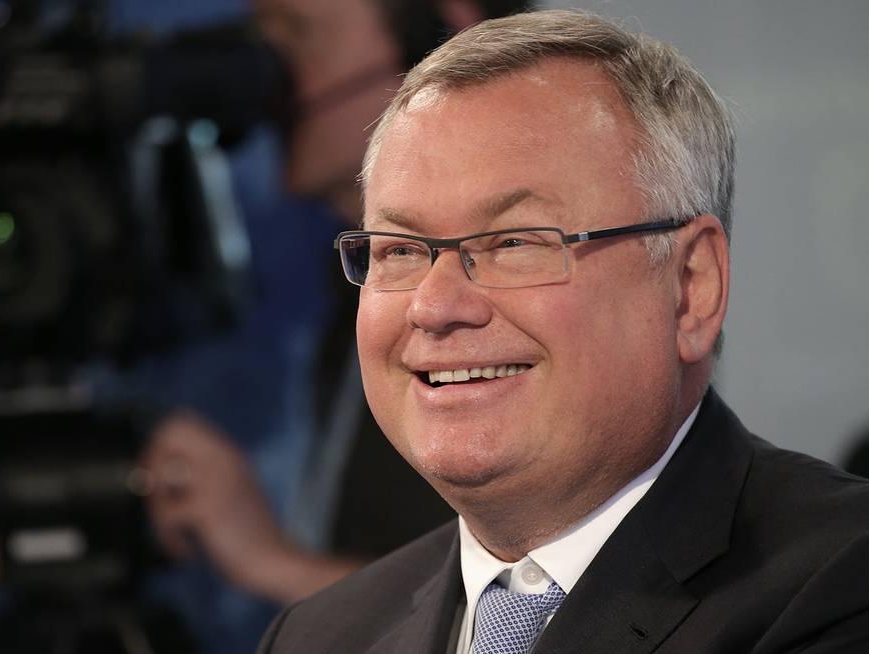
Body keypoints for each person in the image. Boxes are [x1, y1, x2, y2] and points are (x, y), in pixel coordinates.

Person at [257, 9, 869, 654]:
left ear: (692, 287)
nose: (434, 306)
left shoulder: (841, 586)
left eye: (514, 243)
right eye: (400, 250)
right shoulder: (315, 638)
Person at [141, 0, 527, 619]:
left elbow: (527, 616)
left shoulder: (521, 305)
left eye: (298, 36)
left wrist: (272, 561)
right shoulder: (349, 280)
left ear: (442, 41)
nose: (269, 79)